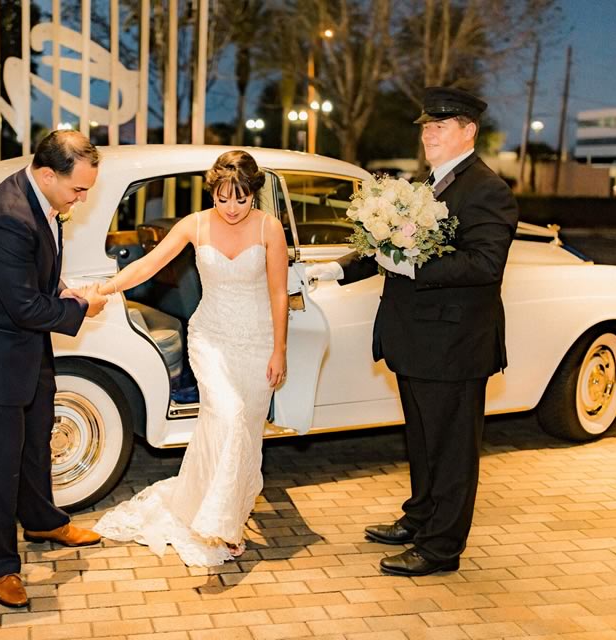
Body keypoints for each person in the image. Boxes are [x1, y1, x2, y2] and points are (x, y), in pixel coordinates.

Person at [330, 87, 519, 576]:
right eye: (426, 126)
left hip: (454, 346)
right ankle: (419, 519)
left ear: (468, 131)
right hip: (415, 341)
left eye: (441, 125)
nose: (429, 133)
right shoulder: (422, 186)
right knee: (422, 440)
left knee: (451, 451)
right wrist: (333, 271)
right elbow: (383, 244)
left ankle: (440, 549)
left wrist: (415, 267)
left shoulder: (486, 189)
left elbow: (484, 263)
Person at [0, 131, 110, 608]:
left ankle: (44, 520)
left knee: (36, 441)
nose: (82, 198)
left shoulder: (42, 200)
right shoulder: (5, 217)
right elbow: (24, 306)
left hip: (26, 352)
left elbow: (34, 278)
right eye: (78, 189)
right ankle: (1, 567)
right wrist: (83, 310)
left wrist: (66, 291)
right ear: (48, 174)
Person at [92, 150, 289, 566]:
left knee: (245, 431)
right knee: (230, 417)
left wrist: (279, 350)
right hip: (210, 339)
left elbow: (277, 293)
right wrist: (104, 289)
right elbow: (146, 265)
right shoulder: (194, 224)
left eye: (241, 199)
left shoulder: (270, 228)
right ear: (212, 194)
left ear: (253, 194)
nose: (231, 208)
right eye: (222, 198)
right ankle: (222, 527)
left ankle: (229, 510)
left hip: (257, 343)